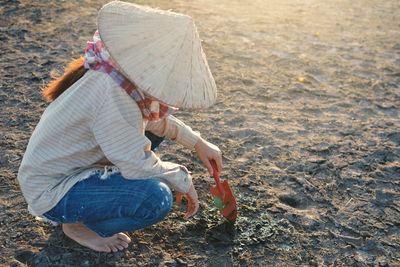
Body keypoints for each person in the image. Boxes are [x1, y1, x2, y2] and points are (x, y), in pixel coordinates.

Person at [17, 1, 221, 253]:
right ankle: (79, 225)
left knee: (146, 134)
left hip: (66, 169)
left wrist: (198, 143)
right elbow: (137, 164)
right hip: (52, 191)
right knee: (155, 199)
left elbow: (152, 119)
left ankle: (88, 206)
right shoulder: (114, 94)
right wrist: (181, 178)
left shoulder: (115, 71)